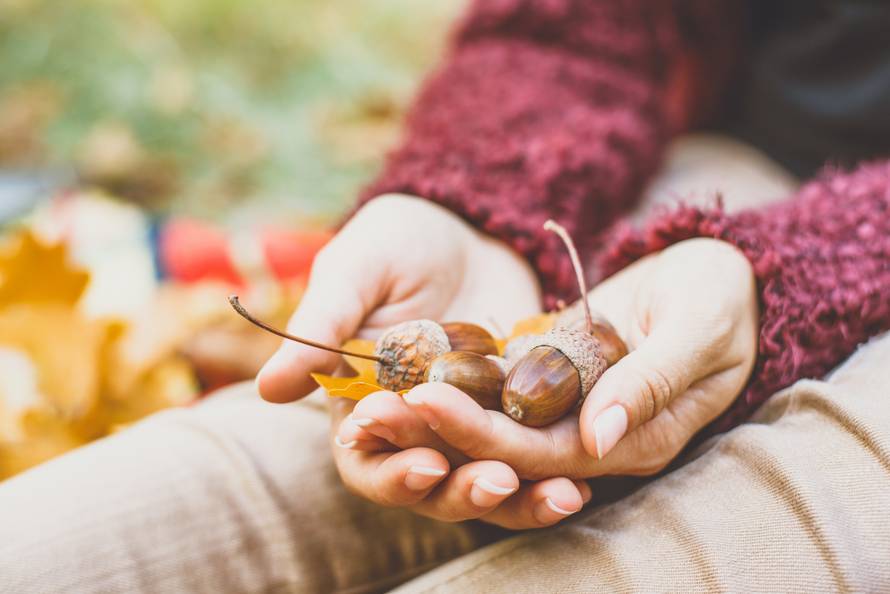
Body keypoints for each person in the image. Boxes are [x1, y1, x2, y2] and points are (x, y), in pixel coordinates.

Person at [2, 1, 890, 591]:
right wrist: (476, 198)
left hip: (830, 239)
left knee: (739, 524)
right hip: (751, 175)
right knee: (289, 459)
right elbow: (578, 26)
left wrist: (790, 272)